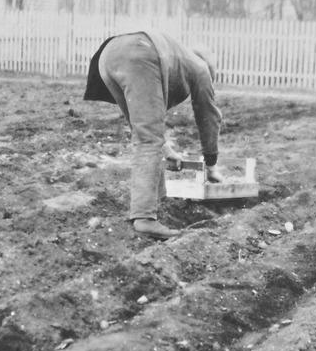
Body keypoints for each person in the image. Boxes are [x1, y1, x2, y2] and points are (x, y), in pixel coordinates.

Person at [83, 30, 223, 239]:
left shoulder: (178, 57)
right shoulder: (201, 68)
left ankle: (159, 199)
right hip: (141, 52)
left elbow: (141, 119)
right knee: (148, 139)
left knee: (146, 133)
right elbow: (208, 115)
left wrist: (167, 150)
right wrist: (211, 165)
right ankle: (144, 218)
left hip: (108, 55)